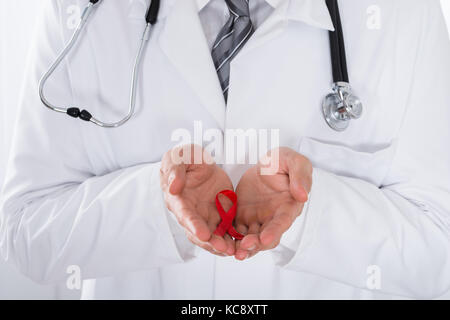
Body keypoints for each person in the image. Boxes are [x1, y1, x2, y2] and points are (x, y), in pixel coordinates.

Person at [1, 0, 450, 300]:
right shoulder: (83, 10)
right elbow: (26, 231)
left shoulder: (400, 13)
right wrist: (158, 207)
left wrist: (311, 215)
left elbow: (439, 248)